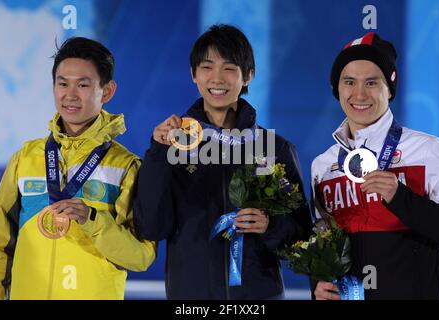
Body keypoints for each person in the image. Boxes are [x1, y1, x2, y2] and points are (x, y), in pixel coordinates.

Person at [133, 24, 313, 299]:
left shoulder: (274, 148)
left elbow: (303, 236)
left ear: (248, 76)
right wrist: (158, 153)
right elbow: (150, 227)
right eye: (207, 67)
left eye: (229, 68)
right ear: (194, 74)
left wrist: (270, 226)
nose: (217, 78)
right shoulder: (173, 145)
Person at [0, 37, 157, 299]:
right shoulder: (25, 158)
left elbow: (141, 257)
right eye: (62, 83)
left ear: (107, 91)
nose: (70, 95)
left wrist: (93, 220)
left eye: (83, 84)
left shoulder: (125, 167)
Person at [311, 32, 439, 300]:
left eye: (372, 82)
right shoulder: (322, 165)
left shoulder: (428, 150)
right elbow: (321, 241)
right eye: (349, 82)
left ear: (390, 88)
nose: (359, 94)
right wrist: (317, 283)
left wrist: (400, 197)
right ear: (337, 88)